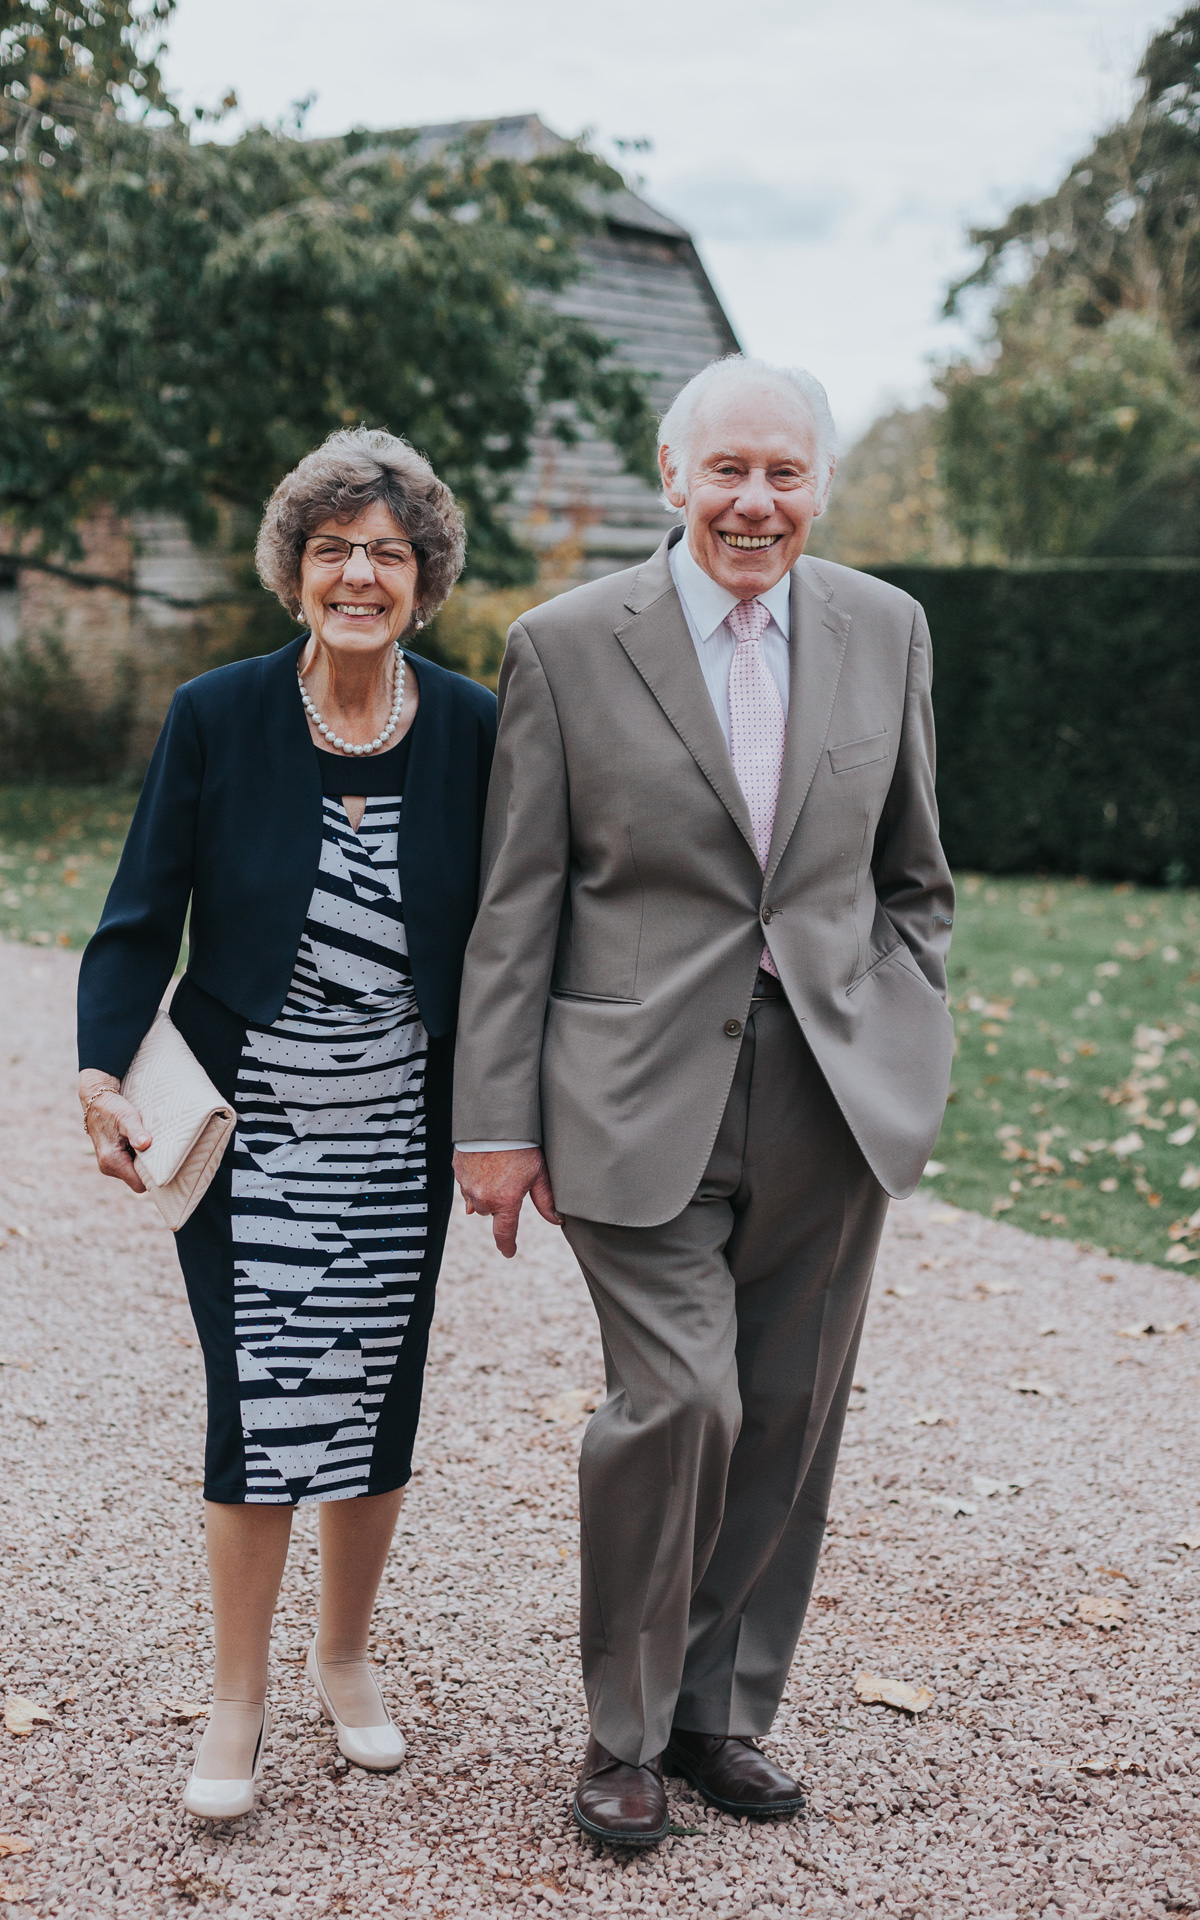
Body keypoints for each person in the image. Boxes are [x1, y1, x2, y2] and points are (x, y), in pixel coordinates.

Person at [452, 356, 955, 1845]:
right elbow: (514, 904)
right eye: (726, 472)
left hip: (830, 1093)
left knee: (790, 1414)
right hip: (626, 1093)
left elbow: (914, 873)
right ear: (671, 480)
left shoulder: (887, 629)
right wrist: (495, 1120)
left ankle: (718, 1717)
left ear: (817, 487)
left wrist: (905, 1023)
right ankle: (620, 1732)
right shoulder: (562, 645)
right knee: (682, 1400)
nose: (755, 502)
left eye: (784, 474)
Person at [76, 428, 495, 1820]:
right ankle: (237, 1692)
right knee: (259, 1397)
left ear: (424, 577)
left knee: (374, 1386)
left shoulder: (478, 730)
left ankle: (349, 1660)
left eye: (386, 551)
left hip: (395, 1126)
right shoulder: (218, 714)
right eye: (333, 551)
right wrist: (97, 1070)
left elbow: (510, 936)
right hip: (248, 1127)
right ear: (295, 573)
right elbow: (142, 914)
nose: (359, 574)